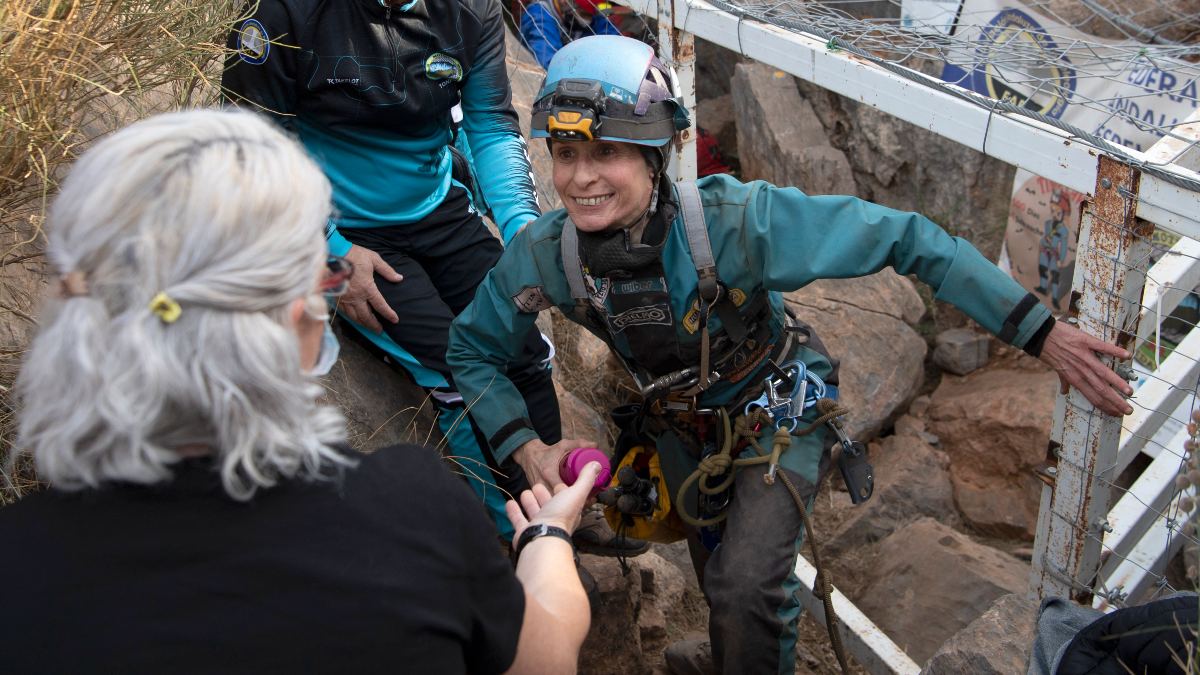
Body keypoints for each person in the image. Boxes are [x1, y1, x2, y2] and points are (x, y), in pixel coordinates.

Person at [446, 35, 1137, 675]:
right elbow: (470, 348)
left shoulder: (734, 223)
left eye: (606, 153)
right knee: (720, 571)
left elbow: (908, 236)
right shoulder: (549, 255)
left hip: (778, 409)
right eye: (566, 154)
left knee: (747, 585)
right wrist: (525, 446)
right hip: (681, 430)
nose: (580, 179)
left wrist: (1043, 333)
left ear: (655, 155)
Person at [0, 109, 594, 674]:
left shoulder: (19, 565)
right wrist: (546, 538)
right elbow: (545, 658)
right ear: (296, 324)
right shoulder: (409, 510)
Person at [220, 0, 573, 544]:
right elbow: (246, 146)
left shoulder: (469, 9)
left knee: (524, 347)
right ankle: (512, 536)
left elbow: (489, 124)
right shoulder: (282, 12)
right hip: (341, 228)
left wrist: (525, 233)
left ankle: (558, 507)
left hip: (439, 208)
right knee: (454, 363)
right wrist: (328, 252)